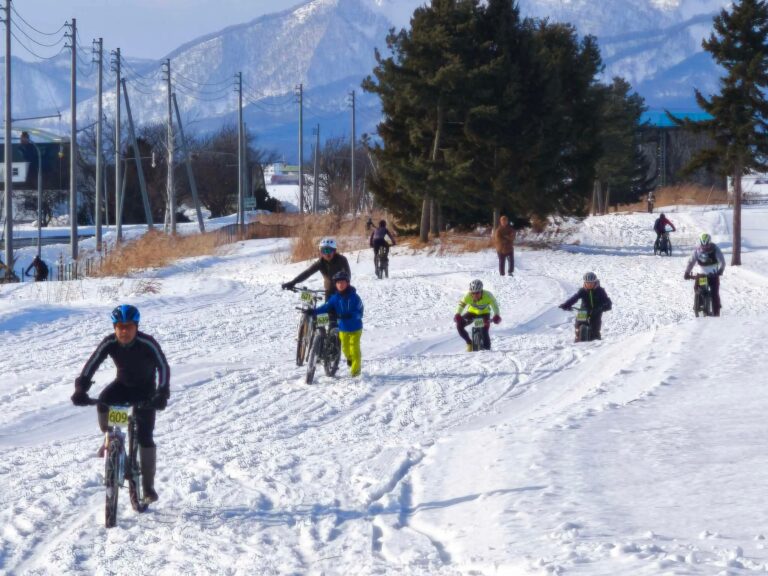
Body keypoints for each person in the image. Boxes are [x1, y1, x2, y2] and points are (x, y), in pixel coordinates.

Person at [70, 304, 170, 504]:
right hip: (122, 386)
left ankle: (148, 488)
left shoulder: (147, 343)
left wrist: (162, 393)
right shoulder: (110, 342)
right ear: (114, 327)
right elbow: (92, 364)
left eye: (129, 327)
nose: (124, 331)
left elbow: (163, 366)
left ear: (136, 327)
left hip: (146, 392)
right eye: (120, 327)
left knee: (145, 437)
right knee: (104, 402)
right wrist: (81, 389)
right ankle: (111, 438)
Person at [307, 271, 364, 377]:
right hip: (343, 328)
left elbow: (360, 311)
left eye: (342, 282)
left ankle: (355, 372)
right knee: (345, 349)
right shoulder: (335, 298)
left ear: (347, 283)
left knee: (354, 348)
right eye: (338, 283)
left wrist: (351, 315)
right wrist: (313, 312)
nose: (340, 285)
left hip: (355, 328)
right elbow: (326, 307)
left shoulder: (355, 297)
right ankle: (350, 358)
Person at [281, 238, 351, 300]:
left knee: (342, 312)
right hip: (328, 291)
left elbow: (348, 275)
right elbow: (308, 272)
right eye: (324, 251)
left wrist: (343, 287)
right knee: (323, 312)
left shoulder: (342, 260)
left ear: (334, 251)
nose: (327, 254)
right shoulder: (320, 262)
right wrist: (293, 282)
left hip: (342, 290)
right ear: (321, 252)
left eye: (329, 251)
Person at [558, 272, 612, 341]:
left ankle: (597, 342)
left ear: (595, 282)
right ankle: (578, 338)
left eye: (591, 283)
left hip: (597, 310)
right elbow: (575, 298)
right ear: (585, 282)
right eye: (587, 283)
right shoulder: (582, 290)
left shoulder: (600, 290)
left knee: (595, 328)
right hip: (584, 310)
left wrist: (605, 306)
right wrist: (566, 305)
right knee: (579, 324)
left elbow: (607, 301)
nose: (589, 284)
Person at [684, 233, 726, 316]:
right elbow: (691, 262)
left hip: (713, 274)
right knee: (697, 287)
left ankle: (716, 312)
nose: (705, 247)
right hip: (702, 274)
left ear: (710, 243)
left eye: (707, 245)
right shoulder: (697, 250)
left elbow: (722, 261)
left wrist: (720, 270)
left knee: (714, 293)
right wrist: (687, 272)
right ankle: (698, 303)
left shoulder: (715, 249)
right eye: (703, 245)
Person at [454, 279, 501, 351]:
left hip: (484, 314)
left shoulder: (488, 295)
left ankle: (487, 350)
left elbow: (495, 306)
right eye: (473, 293)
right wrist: (457, 314)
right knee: (459, 325)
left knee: (483, 330)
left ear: (481, 291)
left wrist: (497, 315)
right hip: (471, 313)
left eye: (477, 293)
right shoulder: (468, 296)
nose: (475, 295)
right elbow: (461, 305)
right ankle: (469, 343)